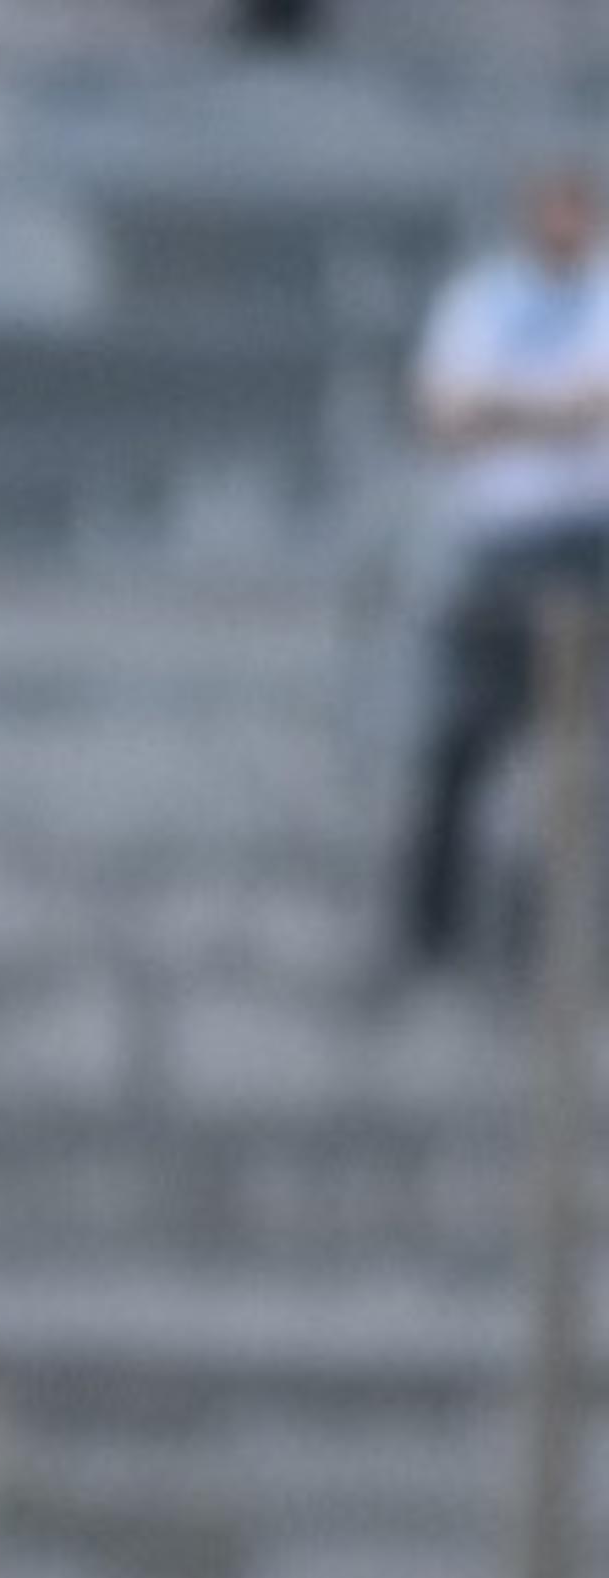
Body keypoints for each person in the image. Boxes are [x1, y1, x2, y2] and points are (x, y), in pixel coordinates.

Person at [393, 167, 609, 976]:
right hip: (499, 549)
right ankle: (434, 929)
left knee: (576, 753)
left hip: (594, 547)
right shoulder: (481, 300)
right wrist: (561, 412)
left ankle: (557, 934)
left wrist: (504, 410)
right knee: (466, 737)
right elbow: (443, 416)